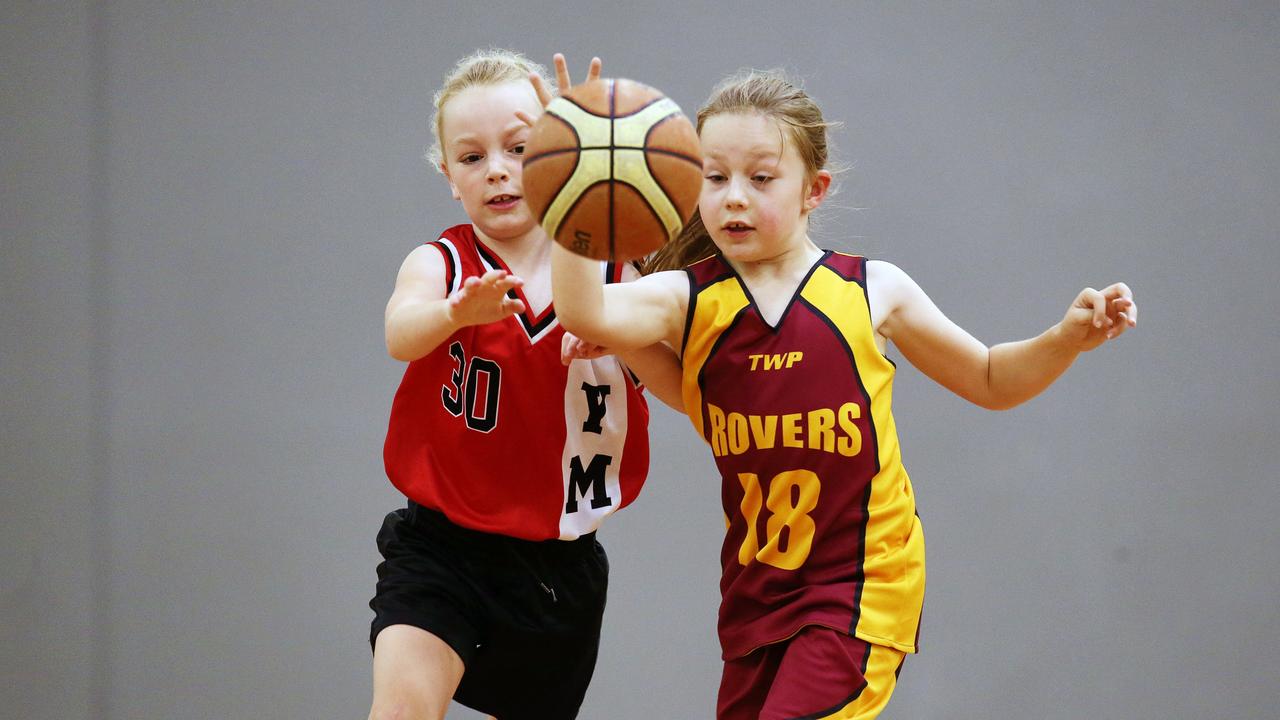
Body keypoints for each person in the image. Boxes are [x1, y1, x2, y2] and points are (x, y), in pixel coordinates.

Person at [552, 69, 1138, 719]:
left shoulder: (869, 290)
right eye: (715, 178)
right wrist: (576, 188)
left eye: (762, 177)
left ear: (815, 191)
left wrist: (1064, 338)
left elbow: (993, 379)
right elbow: (587, 313)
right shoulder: (688, 299)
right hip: (756, 598)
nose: (734, 198)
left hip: (858, 591)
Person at [368, 49, 677, 720]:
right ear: (449, 176)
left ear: (558, 153)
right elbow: (400, 332)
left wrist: (630, 341)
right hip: (439, 549)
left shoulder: (626, 276)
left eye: (519, 146)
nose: (498, 169)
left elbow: (692, 393)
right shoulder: (442, 264)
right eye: (472, 157)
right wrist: (455, 314)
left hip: (557, 569)